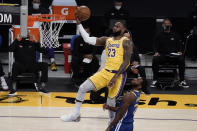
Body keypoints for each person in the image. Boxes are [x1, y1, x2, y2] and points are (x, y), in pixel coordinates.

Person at [60, 14, 133, 122]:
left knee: (110, 101)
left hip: (118, 75)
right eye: (114, 26)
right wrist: (79, 24)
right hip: (105, 73)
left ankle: (112, 122)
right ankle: (75, 114)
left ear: (124, 29)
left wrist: (115, 76)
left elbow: (126, 62)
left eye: (118, 26)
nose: (115, 28)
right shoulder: (107, 40)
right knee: (82, 88)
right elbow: (87, 39)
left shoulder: (126, 42)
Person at [151, 18, 189, 88]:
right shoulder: (159, 35)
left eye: (168, 24)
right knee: (155, 59)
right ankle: (155, 80)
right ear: (163, 25)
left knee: (181, 59)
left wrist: (180, 51)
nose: (167, 25)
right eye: (165, 24)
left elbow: (180, 45)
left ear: (171, 25)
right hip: (163, 56)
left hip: (173, 57)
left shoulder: (176, 35)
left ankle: (182, 80)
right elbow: (155, 46)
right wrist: (156, 52)